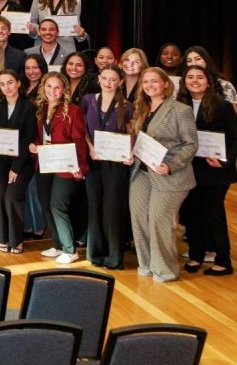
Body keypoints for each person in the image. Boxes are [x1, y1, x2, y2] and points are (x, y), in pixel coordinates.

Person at [130, 67, 198, 282]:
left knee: (159, 221)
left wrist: (171, 166)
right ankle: (147, 264)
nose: (149, 85)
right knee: (139, 218)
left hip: (169, 175)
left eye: (154, 81)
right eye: (146, 82)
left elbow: (191, 144)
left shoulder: (180, 110)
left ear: (166, 84)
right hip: (141, 171)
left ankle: (165, 270)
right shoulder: (142, 108)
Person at [180, 64, 237, 276]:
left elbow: (235, 137)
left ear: (208, 81)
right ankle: (196, 255)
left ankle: (223, 260)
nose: (195, 81)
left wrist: (225, 160)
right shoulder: (179, 104)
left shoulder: (221, 105)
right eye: (190, 77)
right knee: (192, 213)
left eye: (200, 77)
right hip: (189, 169)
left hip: (215, 171)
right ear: (184, 81)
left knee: (213, 214)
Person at [31, 72, 89, 264]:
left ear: (64, 89)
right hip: (45, 163)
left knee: (58, 205)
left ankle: (70, 249)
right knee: (46, 204)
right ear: (43, 88)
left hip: (66, 165)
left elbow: (79, 141)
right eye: (49, 87)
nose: (52, 91)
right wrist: (34, 146)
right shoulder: (41, 108)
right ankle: (57, 245)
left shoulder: (74, 110)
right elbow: (41, 137)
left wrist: (79, 166)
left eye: (57, 87)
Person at [0, 69, 36, 254]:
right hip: (1, 160)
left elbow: (28, 139)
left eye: (10, 82)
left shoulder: (29, 106)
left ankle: (16, 240)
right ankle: (3, 237)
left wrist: (16, 168)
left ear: (19, 83)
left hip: (22, 162)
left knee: (12, 197)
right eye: (2, 84)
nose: (7, 87)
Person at [82, 65, 133, 269]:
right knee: (94, 207)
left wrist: (129, 152)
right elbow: (82, 129)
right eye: (105, 78)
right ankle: (96, 253)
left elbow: (131, 133)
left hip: (116, 164)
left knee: (112, 209)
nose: (108, 83)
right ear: (99, 79)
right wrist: (90, 147)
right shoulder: (87, 100)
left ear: (120, 81)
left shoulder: (127, 106)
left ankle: (114, 257)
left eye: (113, 79)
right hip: (94, 162)